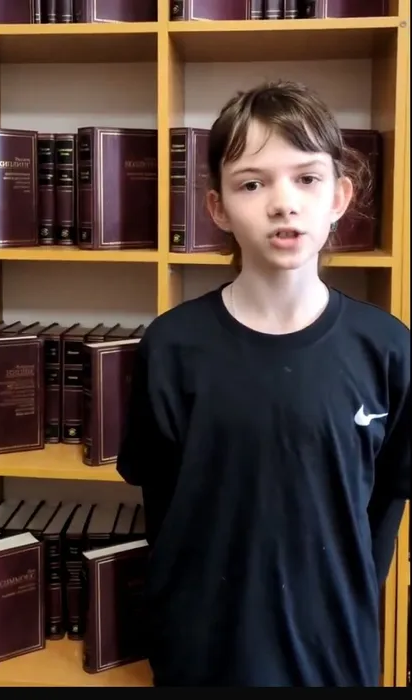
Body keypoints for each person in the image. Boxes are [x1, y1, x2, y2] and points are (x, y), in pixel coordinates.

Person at [116, 80, 410, 687]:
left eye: (307, 178)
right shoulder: (172, 347)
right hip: (203, 653)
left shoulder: (386, 348)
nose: (283, 203)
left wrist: (347, 597)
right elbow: (163, 506)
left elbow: (386, 503)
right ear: (218, 207)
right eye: (252, 183)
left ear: (339, 195)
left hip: (335, 651)